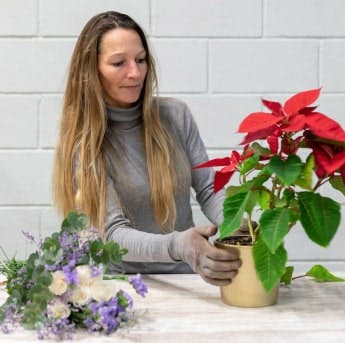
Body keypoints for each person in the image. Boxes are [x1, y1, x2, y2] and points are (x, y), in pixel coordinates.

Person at [52, 10, 241, 286]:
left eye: (141, 60)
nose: (136, 72)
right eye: (119, 63)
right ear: (91, 72)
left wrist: (237, 226)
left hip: (186, 282)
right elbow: (113, 234)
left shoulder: (176, 115)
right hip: (120, 289)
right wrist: (179, 245)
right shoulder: (85, 143)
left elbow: (210, 189)